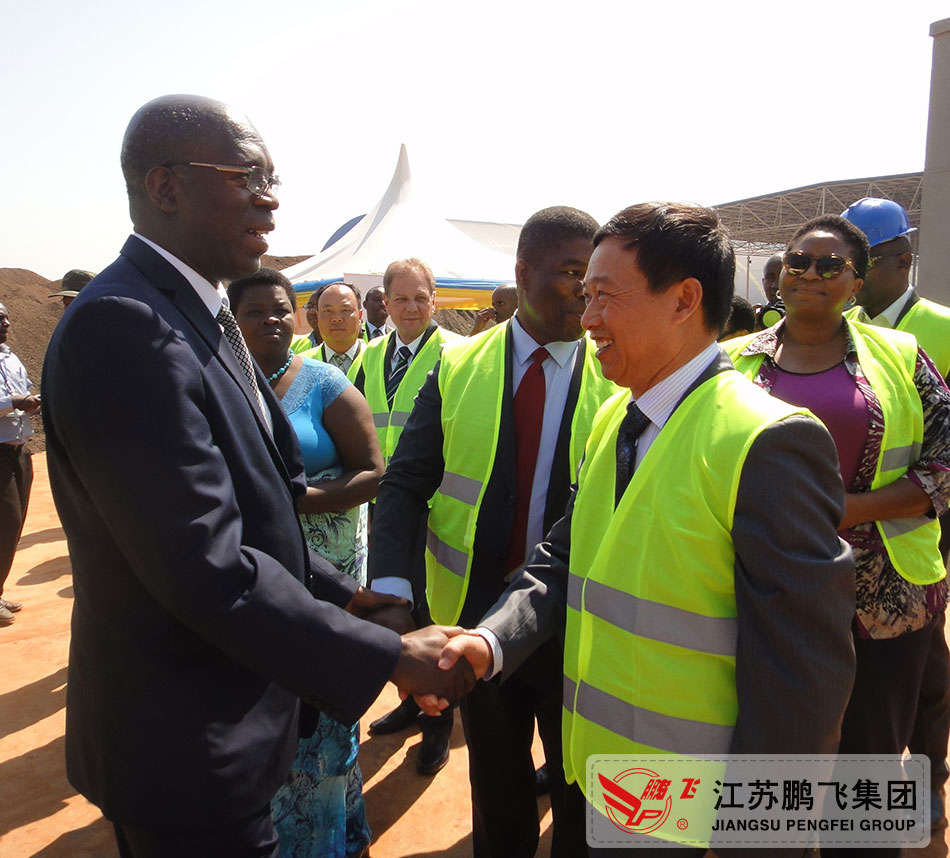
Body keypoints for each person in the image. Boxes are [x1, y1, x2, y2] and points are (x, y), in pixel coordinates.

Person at [40, 94, 472, 858]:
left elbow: (258, 513)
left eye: (273, 178)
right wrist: (387, 654)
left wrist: (351, 597)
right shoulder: (126, 326)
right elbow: (204, 565)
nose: (271, 198)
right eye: (248, 176)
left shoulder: (198, 313)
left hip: (231, 723)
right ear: (166, 186)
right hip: (185, 744)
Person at [438, 202, 857, 857]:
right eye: (585, 295)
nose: (587, 316)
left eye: (605, 295)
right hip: (595, 782)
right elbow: (562, 559)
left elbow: (804, 682)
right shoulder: (616, 417)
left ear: (684, 300)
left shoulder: (767, 442)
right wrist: (491, 640)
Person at [367, 206, 619, 858]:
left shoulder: (620, 372)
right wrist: (392, 594)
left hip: (579, 627)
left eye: (595, 279)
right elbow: (404, 484)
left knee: (580, 798)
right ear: (523, 273)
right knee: (498, 792)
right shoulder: (459, 366)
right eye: (572, 273)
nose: (586, 293)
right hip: (476, 620)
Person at [725, 213, 950, 858]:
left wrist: (848, 510)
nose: (810, 274)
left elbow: (944, 463)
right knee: (771, 758)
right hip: (763, 591)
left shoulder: (900, 356)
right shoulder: (732, 362)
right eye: (799, 261)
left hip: (881, 598)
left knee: (867, 761)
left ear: (857, 281)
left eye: (831, 265)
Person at [230, 268, 381, 858]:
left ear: (296, 318)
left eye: (280, 309)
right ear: (232, 320)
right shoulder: (224, 381)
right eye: (255, 311)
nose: (271, 319)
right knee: (270, 700)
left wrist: (293, 502)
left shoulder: (323, 381)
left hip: (330, 570)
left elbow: (372, 471)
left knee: (325, 705)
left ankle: (328, 838)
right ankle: (330, 828)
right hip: (258, 567)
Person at [841, 196, 950, 827]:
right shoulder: (840, 326)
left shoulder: (940, 327)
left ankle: (928, 775)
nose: (851, 273)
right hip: (846, 541)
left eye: (865, 259)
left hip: (919, 528)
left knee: (926, 663)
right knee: (856, 671)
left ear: (902, 259)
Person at [354, 258, 461, 775]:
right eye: (401, 299)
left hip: (435, 507)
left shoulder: (456, 355)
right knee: (397, 608)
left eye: (421, 298)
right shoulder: (370, 356)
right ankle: (409, 701)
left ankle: (439, 723)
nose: (411, 308)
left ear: (434, 300)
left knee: (432, 611)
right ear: (385, 303)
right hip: (383, 509)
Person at [0, 303, 40, 626]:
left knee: (14, 523)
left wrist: (32, 401)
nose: (6, 323)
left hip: (19, 451)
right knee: (6, 521)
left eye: (6, 317)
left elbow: (24, 390)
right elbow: (14, 399)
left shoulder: (11, 359)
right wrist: (14, 402)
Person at [312, 282, 365, 378]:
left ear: (360, 316)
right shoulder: (301, 365)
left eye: (345, 310)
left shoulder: (379, 359)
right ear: (317, 317)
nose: (337, 318)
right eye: (328, 311)